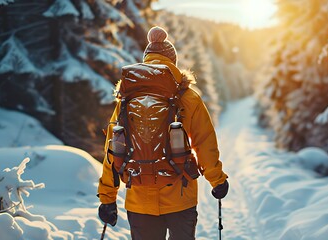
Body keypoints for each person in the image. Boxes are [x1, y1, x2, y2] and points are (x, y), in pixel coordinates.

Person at [97, 26, 229, 240]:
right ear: (173, 62)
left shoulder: (126, 100)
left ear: (145, 61)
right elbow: (204, 143)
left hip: (139, 200)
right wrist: (217, 180)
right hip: (180, 196)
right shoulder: (188, 97)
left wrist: (107, 198)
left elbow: (112, 150)